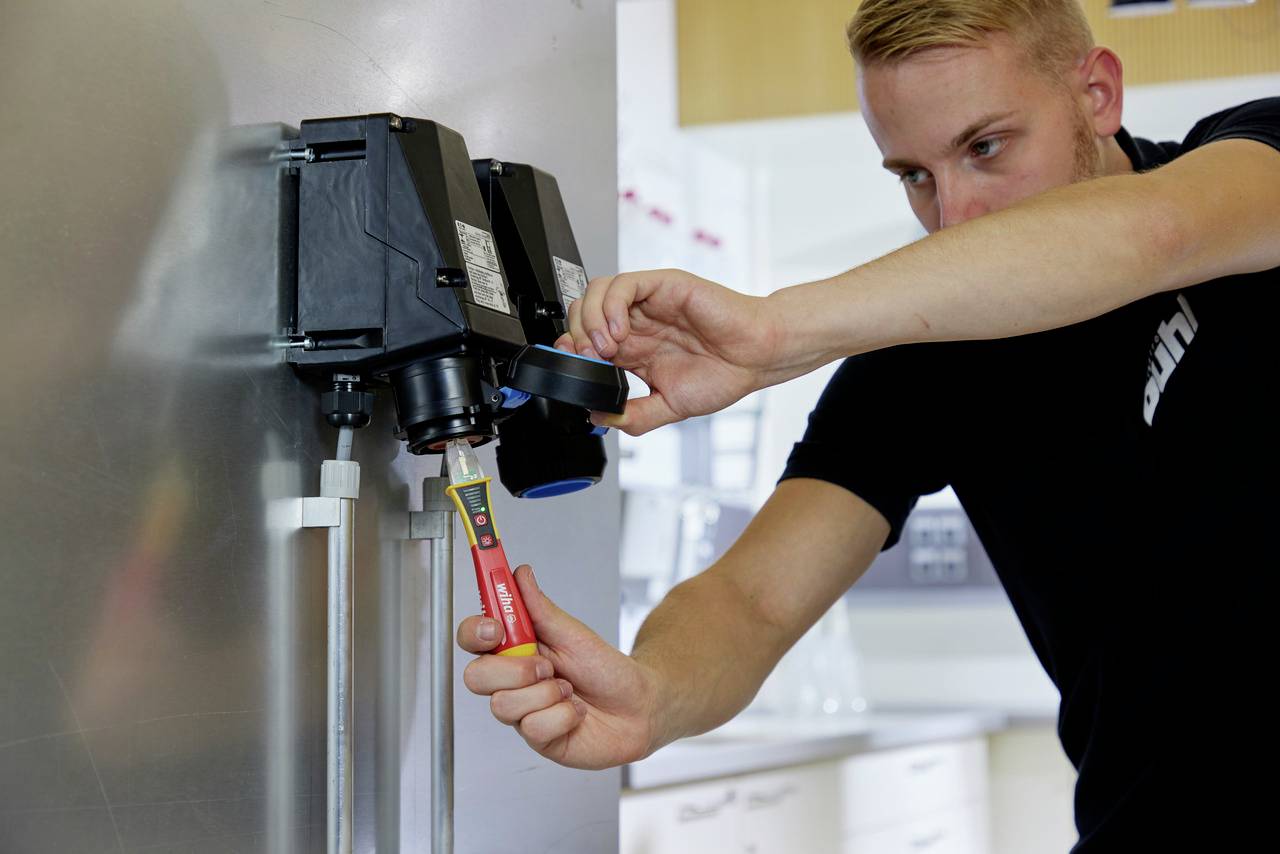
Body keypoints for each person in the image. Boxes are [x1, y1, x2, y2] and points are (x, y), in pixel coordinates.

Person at [457, 1, 1280, 848]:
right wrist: (654, 695)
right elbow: (755, 599)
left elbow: (1156, 232)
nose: (952, 213)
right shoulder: (923, 358)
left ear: (1098, 94)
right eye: (913, 175)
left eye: (986, 147)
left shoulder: (1253, 163)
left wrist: (775, 332)